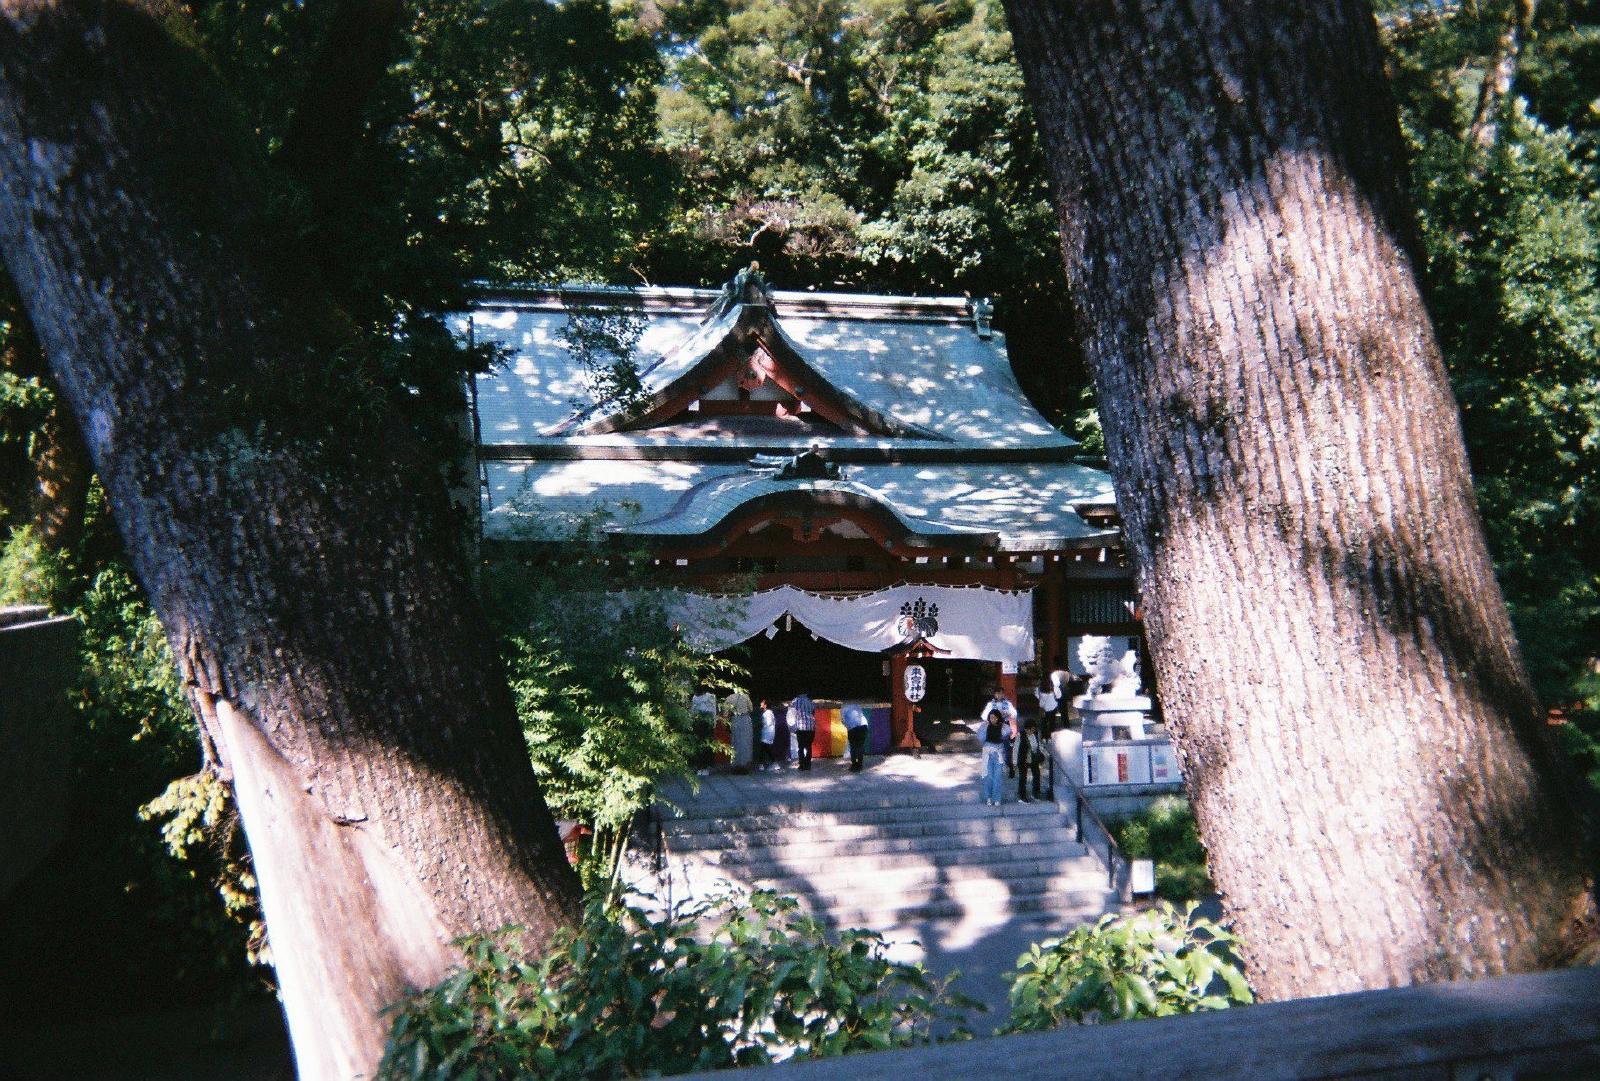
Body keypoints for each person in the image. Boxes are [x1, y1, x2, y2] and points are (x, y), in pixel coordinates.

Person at [979, 701, 1013, 806]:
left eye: (994, 717)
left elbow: (1008, 732)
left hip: (998, 754)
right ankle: (988, 797)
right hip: (987, 754)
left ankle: (997, 798)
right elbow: (981, 738)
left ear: (998, 718)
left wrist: (1002, 723)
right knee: (988, 776)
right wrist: (985, 726)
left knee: (998, 777)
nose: (992, 719)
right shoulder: (985, 726)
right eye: (991, 717)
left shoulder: (1003, 727)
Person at [980, 688, 1018, 777]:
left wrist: (1008, 713)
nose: (1000, 695)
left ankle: (1010, 767)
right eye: (998, 693)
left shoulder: (1007, 704)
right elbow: (984, 716)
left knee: (1007, 748)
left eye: (1001, 693)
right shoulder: (991, 704)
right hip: (994, 728)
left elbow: (1014, 713)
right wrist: (993, 716)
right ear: (995, 694)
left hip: (1004, 727)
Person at [689, 685, 718, 775]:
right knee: (706, 743)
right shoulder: (711, 697)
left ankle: (700, 766)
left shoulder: (695, 697)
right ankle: (704, 767)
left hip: (699, 722)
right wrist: (714, 722)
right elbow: (713, 710)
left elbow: (693, 710)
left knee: (699, 743)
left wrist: (691, 720)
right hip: (707, 721)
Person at [725, 686, 754, 771]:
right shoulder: (746, 697)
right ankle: (744, 764)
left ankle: (735, 764)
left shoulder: (729, 698)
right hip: (745, 720)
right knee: (745, 742)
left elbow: (725, 713)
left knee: (735, 742)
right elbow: (751, 709)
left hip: (735, 720)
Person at [789, 692, 816, 770]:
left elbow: (792, 713)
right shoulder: (810, 701)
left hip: (800, 727)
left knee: (801, 747)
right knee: (808, 746)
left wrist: (792, 727)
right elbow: (813, 713)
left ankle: (802, 765)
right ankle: (808, 765)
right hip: (811, 727)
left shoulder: (795, 701)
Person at [842, 701, 870, 772]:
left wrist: (848, 727)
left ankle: (854, 765)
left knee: (853, 746)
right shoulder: (856, 704)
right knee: (860, 745)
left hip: (853, 727)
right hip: (863, 725)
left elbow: (843, 720)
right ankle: (860, 765)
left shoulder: (844, 707)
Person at [756, 698, 777, 771]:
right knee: (766, 748)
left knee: (764, 748)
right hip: (769, 732)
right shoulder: (769, 712)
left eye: (762, 703)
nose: (760, 704)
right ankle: (766, 763)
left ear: (765, 705)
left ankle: (765, 764)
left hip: (767, 732)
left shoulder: (767, 713)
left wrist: (760, 724)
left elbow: (768, 723)